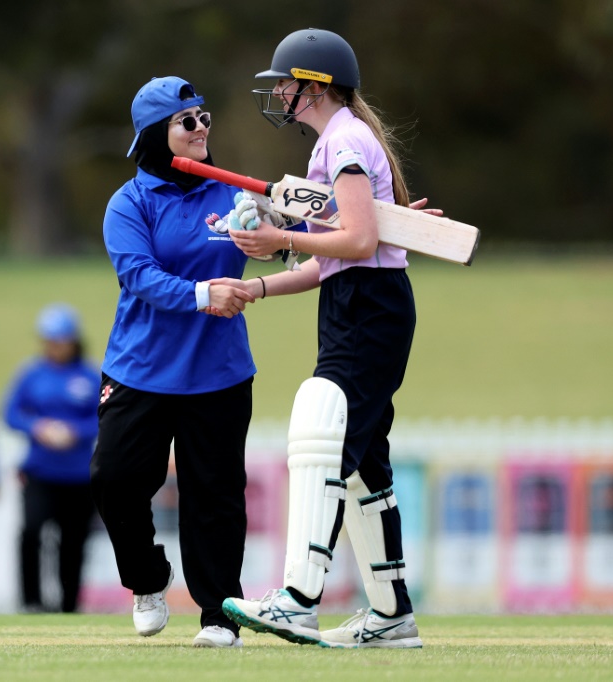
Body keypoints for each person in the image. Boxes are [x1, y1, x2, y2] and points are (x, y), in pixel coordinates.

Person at [217, 29, 442, 648]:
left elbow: (358, 242)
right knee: (366, 462)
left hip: (369, 308)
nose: (280, 93)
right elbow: (339, 257)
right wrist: (259, 287)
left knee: (323, 425)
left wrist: (280, 239)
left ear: (314, 86)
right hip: (362, 301)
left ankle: (298, 598)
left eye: (287, 83)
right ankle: (391, 615)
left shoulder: (343, 141)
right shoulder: (343, 140)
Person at [88, 76, 258, 648]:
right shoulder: (128, 203)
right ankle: (146, 582)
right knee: (114, 480)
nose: (203, 127)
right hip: (140, 369)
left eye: (205, 116)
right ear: (158, 136)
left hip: (218, 374)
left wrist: (288, 227)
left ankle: (219, 616)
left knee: (214, 495)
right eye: (188, 121)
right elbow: (137, 275)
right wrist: (203, 294)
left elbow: (310, 233)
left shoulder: (232, 196)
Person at [4, 304, 101, 614]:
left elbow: (104, 417)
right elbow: (10, 413)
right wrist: (38, 427)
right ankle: (31, 601)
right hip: (40, 471)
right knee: (31, 531)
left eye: (61, 340)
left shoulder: (89, 375)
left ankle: (69, 605)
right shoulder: (31, 374)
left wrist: (75, 432)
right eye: (50, 340)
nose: (56, 347)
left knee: (73, 542)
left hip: (78, 475)